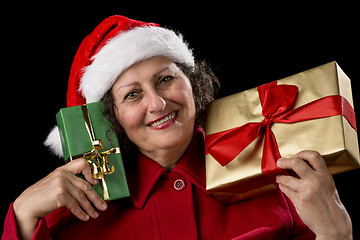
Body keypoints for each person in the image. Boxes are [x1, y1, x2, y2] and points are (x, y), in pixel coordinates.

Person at [2, 15, 352, 240]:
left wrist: (337, 234)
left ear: (193, 83)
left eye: (166, 79)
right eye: (133, 94)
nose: (157, 104)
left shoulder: (280, 177)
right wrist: (22, 213)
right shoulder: (71, 218)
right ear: (110, 118)